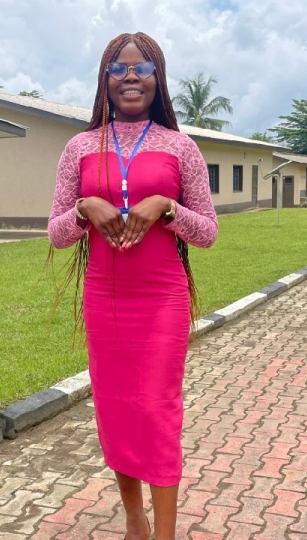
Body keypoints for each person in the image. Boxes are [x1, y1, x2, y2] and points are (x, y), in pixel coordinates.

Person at [48, 32, 218, 540]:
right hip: (106, 299)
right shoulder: (79, 147)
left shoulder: (180, 147)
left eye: (142, 68)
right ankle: (134, 521)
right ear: (105, 79)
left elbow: (207, 232)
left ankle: (164, 534)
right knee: (117, 409)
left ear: (157, 79)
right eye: (119, 69)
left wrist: (167, 206)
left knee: (157, 411)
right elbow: (56, 233)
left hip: (162, 299)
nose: (130, 78)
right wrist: (83, 208)